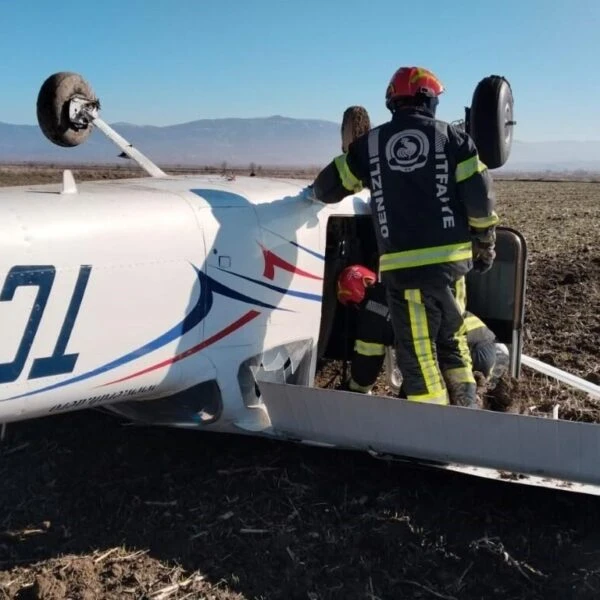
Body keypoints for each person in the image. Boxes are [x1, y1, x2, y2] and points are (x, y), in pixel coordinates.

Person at [306, 66, 498, 407]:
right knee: (452, 343)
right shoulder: (454, 140)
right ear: (428, 101)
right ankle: (468, 409)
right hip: (453, 270)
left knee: (419, 358)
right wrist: (484, 243)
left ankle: (433, 431)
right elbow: (480, 198)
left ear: (394, 102)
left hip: (406, 274)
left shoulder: (373, 144)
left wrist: (309, 195)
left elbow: (327, 186)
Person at [336, 265, 498, 396]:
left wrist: (352, 390)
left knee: (414, 403)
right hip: (482, 343)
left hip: (457, 354)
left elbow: (366, 368)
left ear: (352, 301)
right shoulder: (395, 288)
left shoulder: (371, 313)